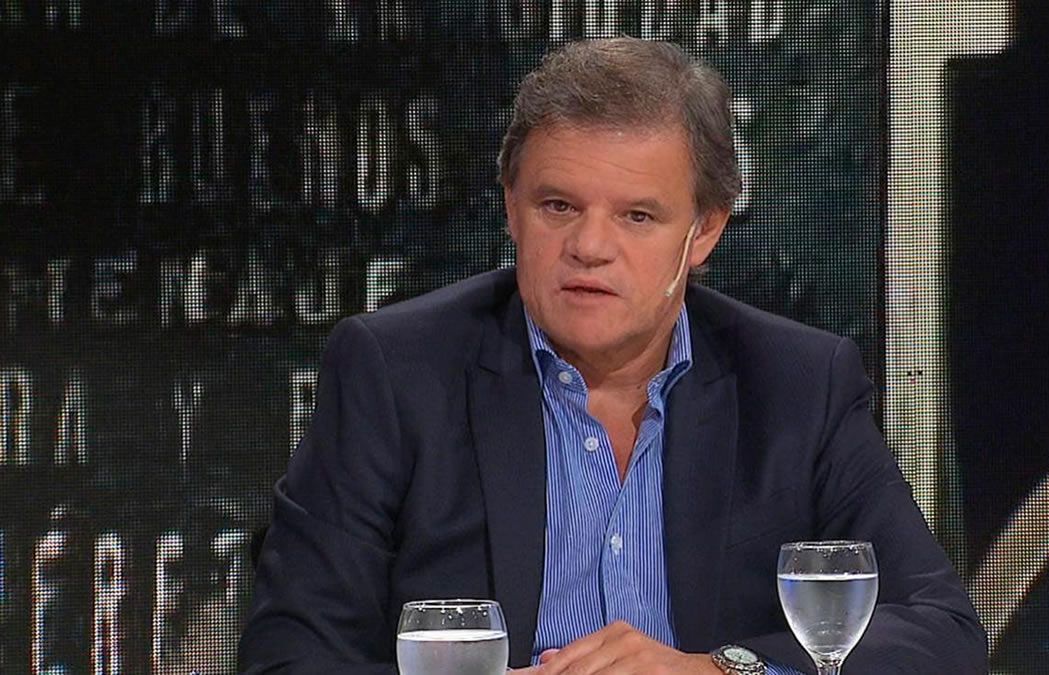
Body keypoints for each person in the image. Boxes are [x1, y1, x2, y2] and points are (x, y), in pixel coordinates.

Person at [239, 38, 987, 674]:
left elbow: (942, 633)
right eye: (558, 206)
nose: (590, 246)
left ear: (703, 232)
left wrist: (717, 669)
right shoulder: (397, 371)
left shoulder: (797, 383)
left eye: (636, 216)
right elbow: (289, 653)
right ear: (511, 208)